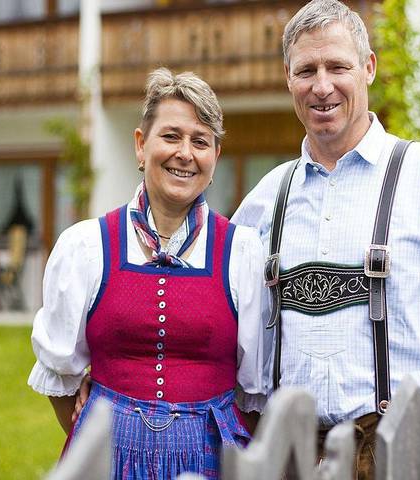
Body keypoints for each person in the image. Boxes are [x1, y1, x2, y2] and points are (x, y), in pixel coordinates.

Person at [230, 1, 420, 477]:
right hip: (291, 458)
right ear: (288, 79)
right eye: (307, 70)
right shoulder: (268, 198)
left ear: (368, 68)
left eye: (337, 66)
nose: (322, 86)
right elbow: (214, 307)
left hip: (402, 454)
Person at [27, 68, 268, 479]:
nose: (185, 153)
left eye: (201, 141)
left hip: (210, 459)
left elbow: (253, 392)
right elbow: (62, 379)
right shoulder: (86, 247)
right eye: (171, 136)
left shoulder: (242, 252)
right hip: (107, 460)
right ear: (141, 146)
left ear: (215, 158)